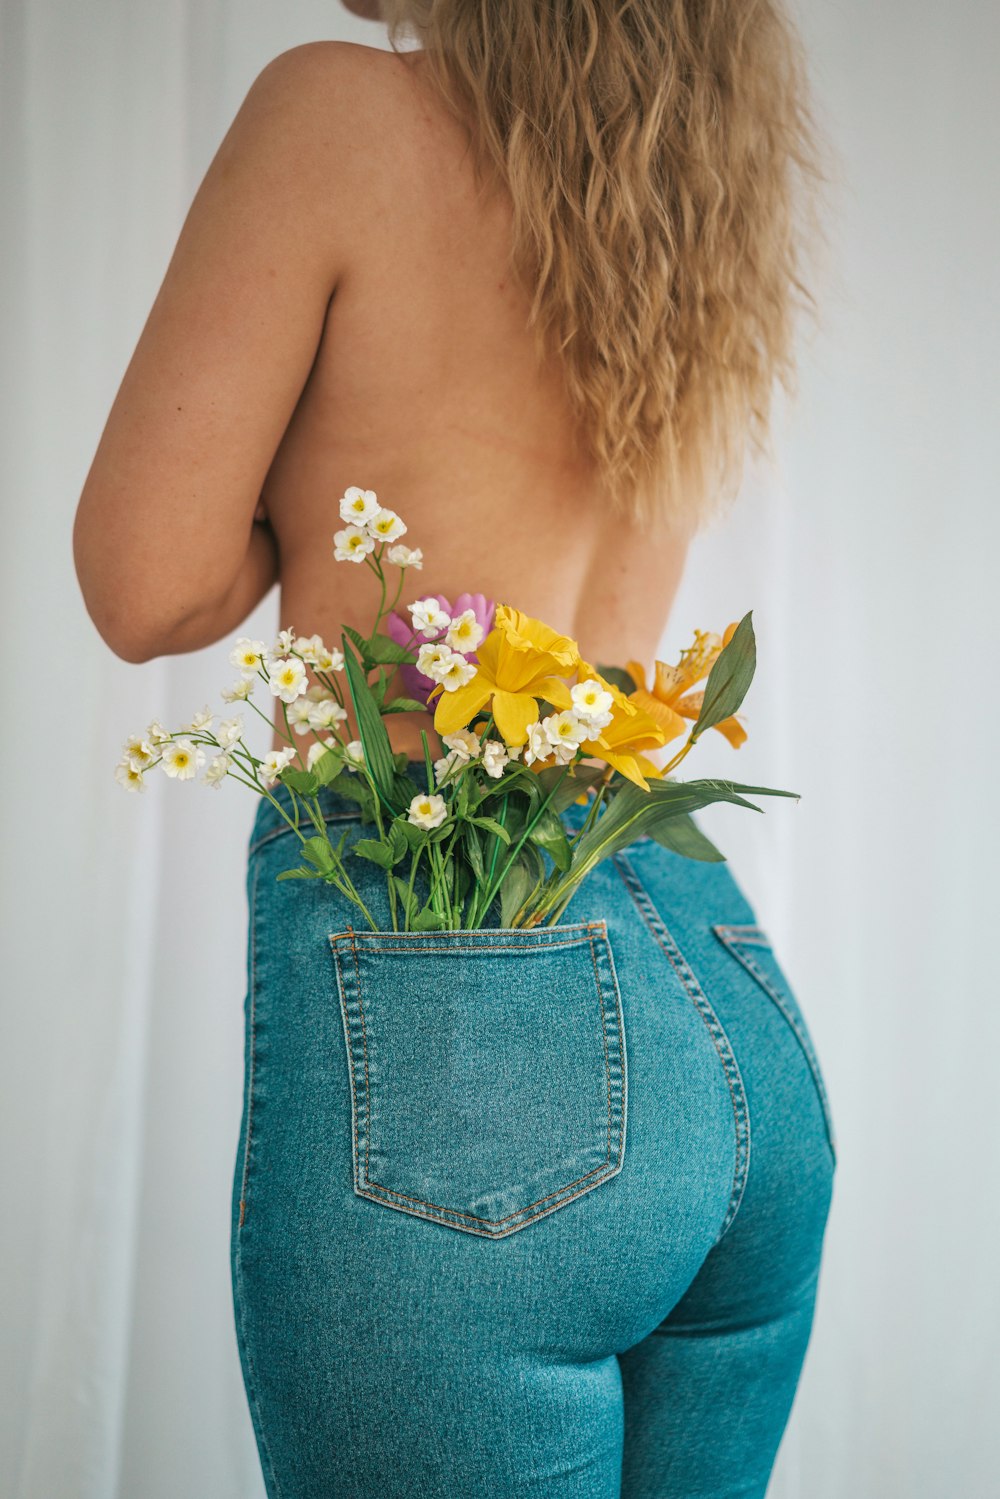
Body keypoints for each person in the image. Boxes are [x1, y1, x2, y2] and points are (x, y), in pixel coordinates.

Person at [73, 3, 836, 1495]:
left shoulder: (340, 118)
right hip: (719, 995)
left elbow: (145, 581)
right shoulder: (686, 204)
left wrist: (291, 494)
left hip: (473, 1012)